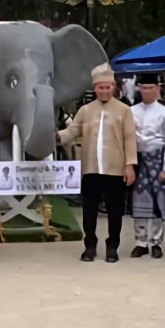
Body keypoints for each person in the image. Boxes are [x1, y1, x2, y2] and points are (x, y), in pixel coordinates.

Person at [58, 63, 137, 263]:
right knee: (89, 211)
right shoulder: (86, 110)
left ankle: (112, 247)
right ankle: (90, 246)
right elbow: (72, 131)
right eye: (101, 88)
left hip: (115, 170)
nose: (104, 91)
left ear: (113, 87)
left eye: (108, 87)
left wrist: (130, 165)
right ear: (95, 88)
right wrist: (54, 137)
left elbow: (130, 138)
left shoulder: (124, 110)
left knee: (115, 212)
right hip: (91, 169)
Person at [129, 73, 165, 259]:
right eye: (144, 88)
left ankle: (156, 242)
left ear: (158, 88)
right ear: (139, 89)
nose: (147, 91)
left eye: (150, 88)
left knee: (158, 202)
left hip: (158, 158)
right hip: (138, 158)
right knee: (139, 201)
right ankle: (140, 242)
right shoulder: (131, 111)